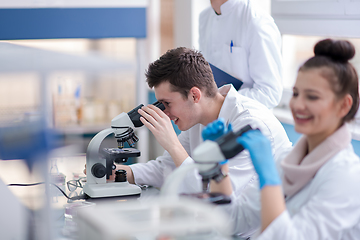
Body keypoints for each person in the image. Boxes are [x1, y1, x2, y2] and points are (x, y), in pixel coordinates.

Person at [204, 39, 360, 239]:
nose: (298, 104)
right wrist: (218, 164)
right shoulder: (287, 158)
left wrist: (269, 179)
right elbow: (233, 221)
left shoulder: (347, 177)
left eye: (312, 97)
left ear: (344, 106)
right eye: (295, 93)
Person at [86, 47, 291, 197]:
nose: (164, 113)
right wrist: (121, 173)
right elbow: (168, 168)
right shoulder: (198, 118)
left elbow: (217, 194)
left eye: (166, 103)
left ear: (194, 95)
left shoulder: (248, 125)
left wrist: (172, 144)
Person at [199, 0, 283, 109]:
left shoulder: (256, 21)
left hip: (247, 120)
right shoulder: (204, 17)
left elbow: (269, 93)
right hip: (212, 119)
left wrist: (219, 101)